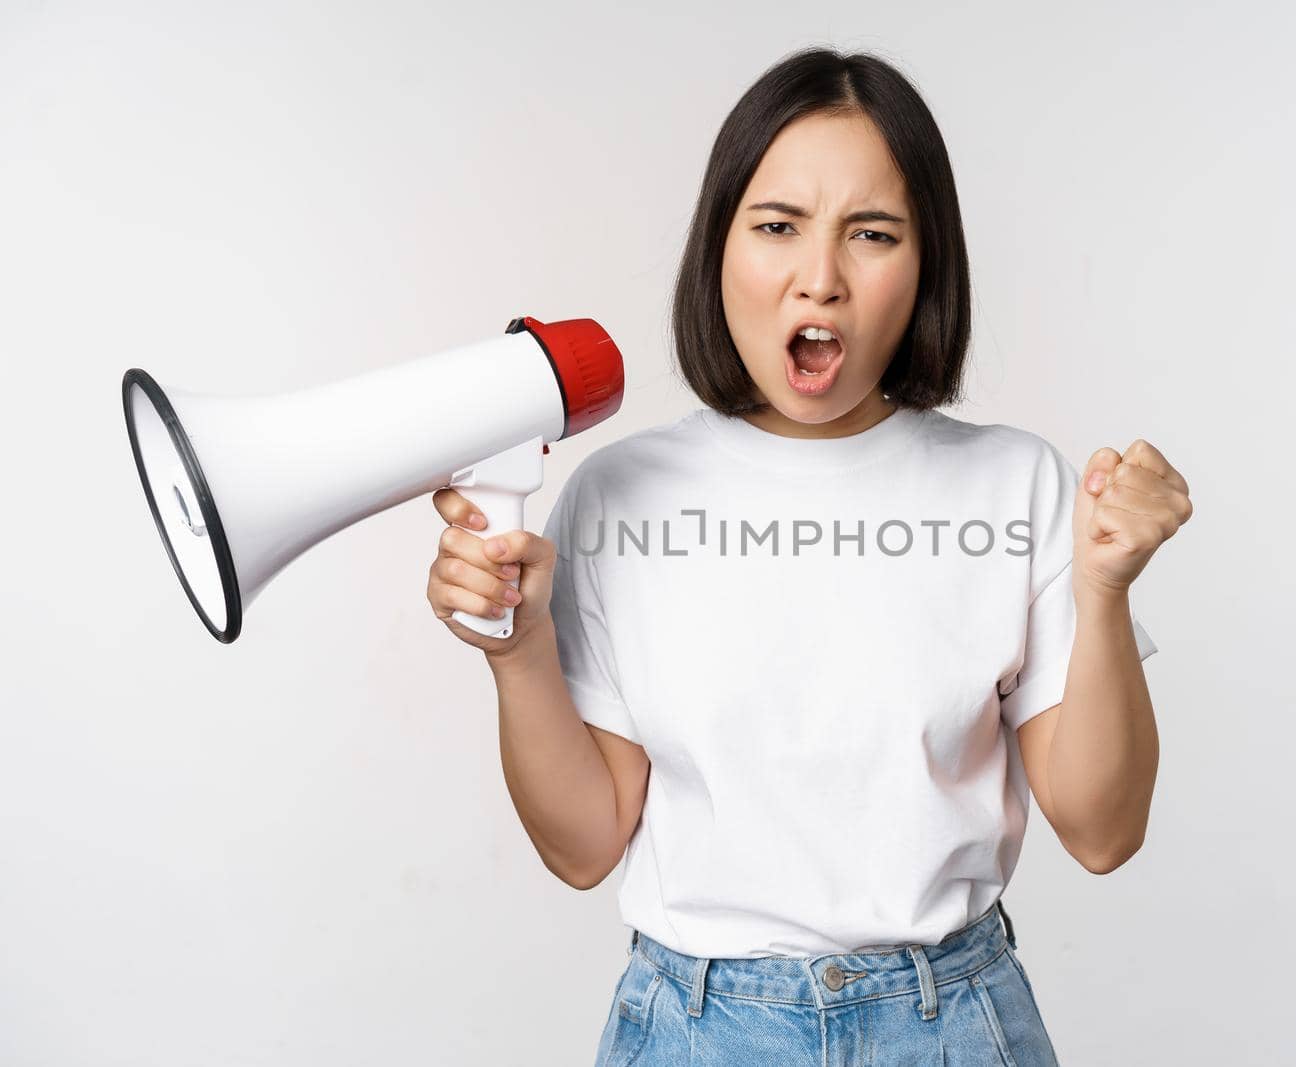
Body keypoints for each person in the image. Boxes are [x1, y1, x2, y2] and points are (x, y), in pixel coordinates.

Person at [425, 46, 1193, 1067]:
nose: (819, 278)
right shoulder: (619, 494)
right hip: (691, 1027)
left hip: (951, 1025)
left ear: (924, 265)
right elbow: (583, 843)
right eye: (777, 226)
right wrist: (515, 650)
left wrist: (1102, 589)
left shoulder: (1018, 486)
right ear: (720, 249)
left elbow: (1102, 830)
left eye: (871, 234)